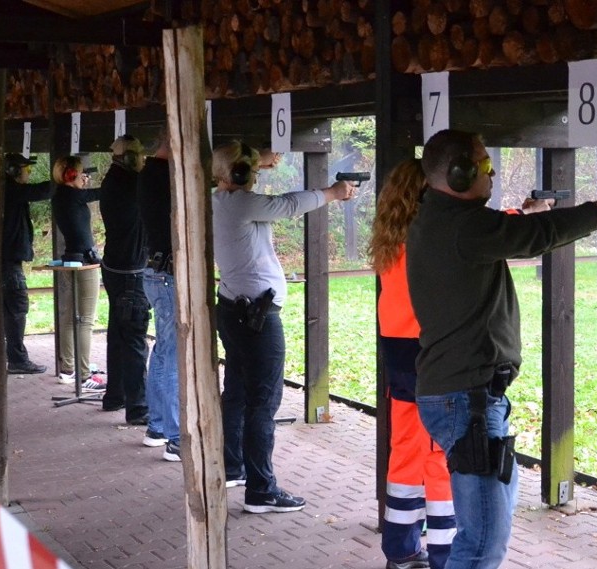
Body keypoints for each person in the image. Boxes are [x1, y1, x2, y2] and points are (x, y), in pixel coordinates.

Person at [407, 129, 597, 568]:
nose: (492, 175)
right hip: (467, 400)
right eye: (486, 166)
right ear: (460, 174)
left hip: (466, 395)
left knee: (486, 525)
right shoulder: (462, 225)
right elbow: (536, 235)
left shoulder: (440, 218)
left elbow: (519, 231)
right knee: (481, 544)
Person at [212, 140, 354, 513]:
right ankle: (261, 489)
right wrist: (332, 193)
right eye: (252, 172)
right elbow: (288, 205)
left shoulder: (218, 200)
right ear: (241, 175)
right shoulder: (242, 203)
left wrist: (258, 163)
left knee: (238, 392)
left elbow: (248, 181)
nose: (256, 177)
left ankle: (233, 466)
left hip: (233, 309)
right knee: (264, 401)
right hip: (256, 319)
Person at [369, 159, 455, 569]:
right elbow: (476, 232)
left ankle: (401, 549)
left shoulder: (390, 235)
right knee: (439, 453)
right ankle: (445, 552)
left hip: (398, 352)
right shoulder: (430, 234)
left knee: (405, 449)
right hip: (428, 352)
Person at [99, 135, 150, 425]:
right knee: (133, 338)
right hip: (130, 269)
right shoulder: (131, 184)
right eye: (140, 155)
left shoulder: (114, 180)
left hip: (116, 266)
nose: (144, 160)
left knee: (118, 332)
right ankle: (138, 406)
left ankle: (115, 395)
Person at [137, 131, 180, 459]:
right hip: (165, 274)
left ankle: (159, 426)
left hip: (157, 272)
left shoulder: (151, 173)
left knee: (164, 351)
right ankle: (176, 435)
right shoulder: (161, 175)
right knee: (172, 353)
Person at [51, 155, 107, 393]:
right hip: (85, 261)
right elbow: (99, 193)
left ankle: (69, 368)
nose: (85, 178)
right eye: (82, 174)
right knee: (85, 320)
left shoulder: (60, 196)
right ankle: (84, 374)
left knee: (69, 316)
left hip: (72, 258)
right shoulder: (72, 195)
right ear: (71, 175)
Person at [2, 152, 51, 375]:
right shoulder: (9, 189)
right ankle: (17, 359)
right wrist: (60, 181)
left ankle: (13, 356)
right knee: (17, 310)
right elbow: (40, 191)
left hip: (8, 261)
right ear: (13, 171)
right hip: (8, 263)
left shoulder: (8, 189)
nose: (28, 174)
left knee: (12, 310)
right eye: (26, 169)